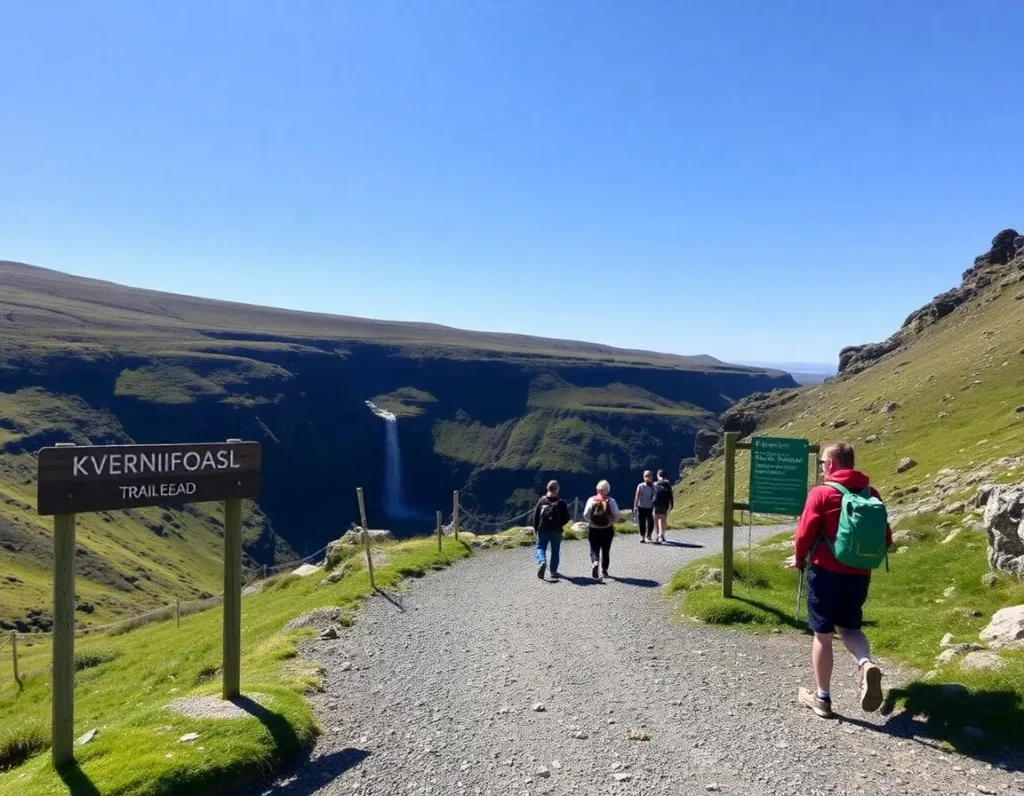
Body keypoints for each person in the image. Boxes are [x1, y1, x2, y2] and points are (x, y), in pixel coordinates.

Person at [784, 441, 893, 719]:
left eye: (822, 463)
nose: (821, 468)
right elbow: (887, 538)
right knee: (850, 627)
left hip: (825, 572)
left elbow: (804, 532)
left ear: (830, 464)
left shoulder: (821, 493)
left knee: (822, 635)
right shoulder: (872, 493)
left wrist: (798, 559)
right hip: (859, 574)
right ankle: (865, 664)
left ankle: (822, 698)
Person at [532, 479, 570, 580]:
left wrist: (535, 528)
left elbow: (536, 516)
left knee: (540, 547)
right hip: (556, 530)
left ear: (547, 488)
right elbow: (566, 518)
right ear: (557, 490)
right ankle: (553, 571)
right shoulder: (561, 503)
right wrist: (559, 524)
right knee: (555, 550)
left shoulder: (542, 500)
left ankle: (542, 561)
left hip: (543, 529)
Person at [583, 480, 621, 580]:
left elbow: (586, 514)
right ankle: (604, 571)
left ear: (597, 489)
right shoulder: (611, 501)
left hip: (593, 529)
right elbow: (617, 515)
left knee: (594, 548)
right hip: (607, 529)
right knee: (606, 550)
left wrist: (591, 522)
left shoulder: (591, 500)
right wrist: (611, 522)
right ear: (607, 490)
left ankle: (595, 562)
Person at [652, 469, 674, 543]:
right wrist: (671, 504)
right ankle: (662, 535)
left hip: (656, 504)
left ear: (658, 475)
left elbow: (652, 494)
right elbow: (670, 495)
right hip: (665, 504)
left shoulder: (655, 484)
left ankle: (658, 535)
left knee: (656, 519)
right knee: (663, 520)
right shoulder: (667, 484)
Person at [633, 470, 656, 543]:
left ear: (652, 477)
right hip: (641, 507)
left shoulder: (654, 486)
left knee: (651, 522)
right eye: (646, 476)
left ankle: (649, 535)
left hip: (650, 507)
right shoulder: (640, 486)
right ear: (643, 477)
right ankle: (642, 536)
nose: (648, 478)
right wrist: (635, 506)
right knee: (641, 522)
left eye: (649, 476)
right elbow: (637, 496)